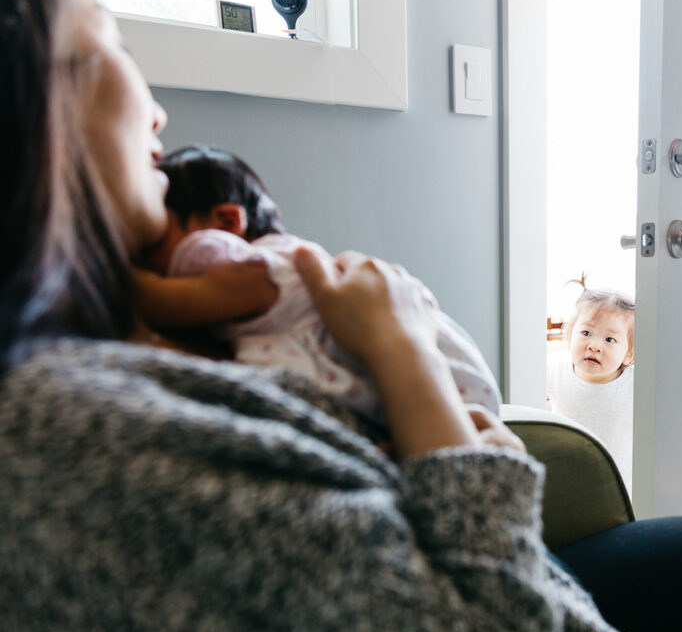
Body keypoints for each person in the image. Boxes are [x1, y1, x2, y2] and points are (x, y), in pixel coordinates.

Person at [0, 0, 682, 632]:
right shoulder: (74, 430)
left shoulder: (100, 330)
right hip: (504, 623)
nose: (159, 113)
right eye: (108, 51)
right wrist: (400, 350)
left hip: (421, 550)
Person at [133, 144, 501, 425]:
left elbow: (154, 299)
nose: (145, 257)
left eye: (154, 242)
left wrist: (107, 257)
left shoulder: (261, 269)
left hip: (445, 392)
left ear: (227, 223)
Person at [548, 275, 636, 493]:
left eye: (610, 339)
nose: (594, 345)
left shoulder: (635, 384)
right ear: (569, 336)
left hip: (616, 489)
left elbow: (673, 404)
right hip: (564, 480)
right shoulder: (555, 374)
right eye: (586, 333)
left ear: (629, 354)